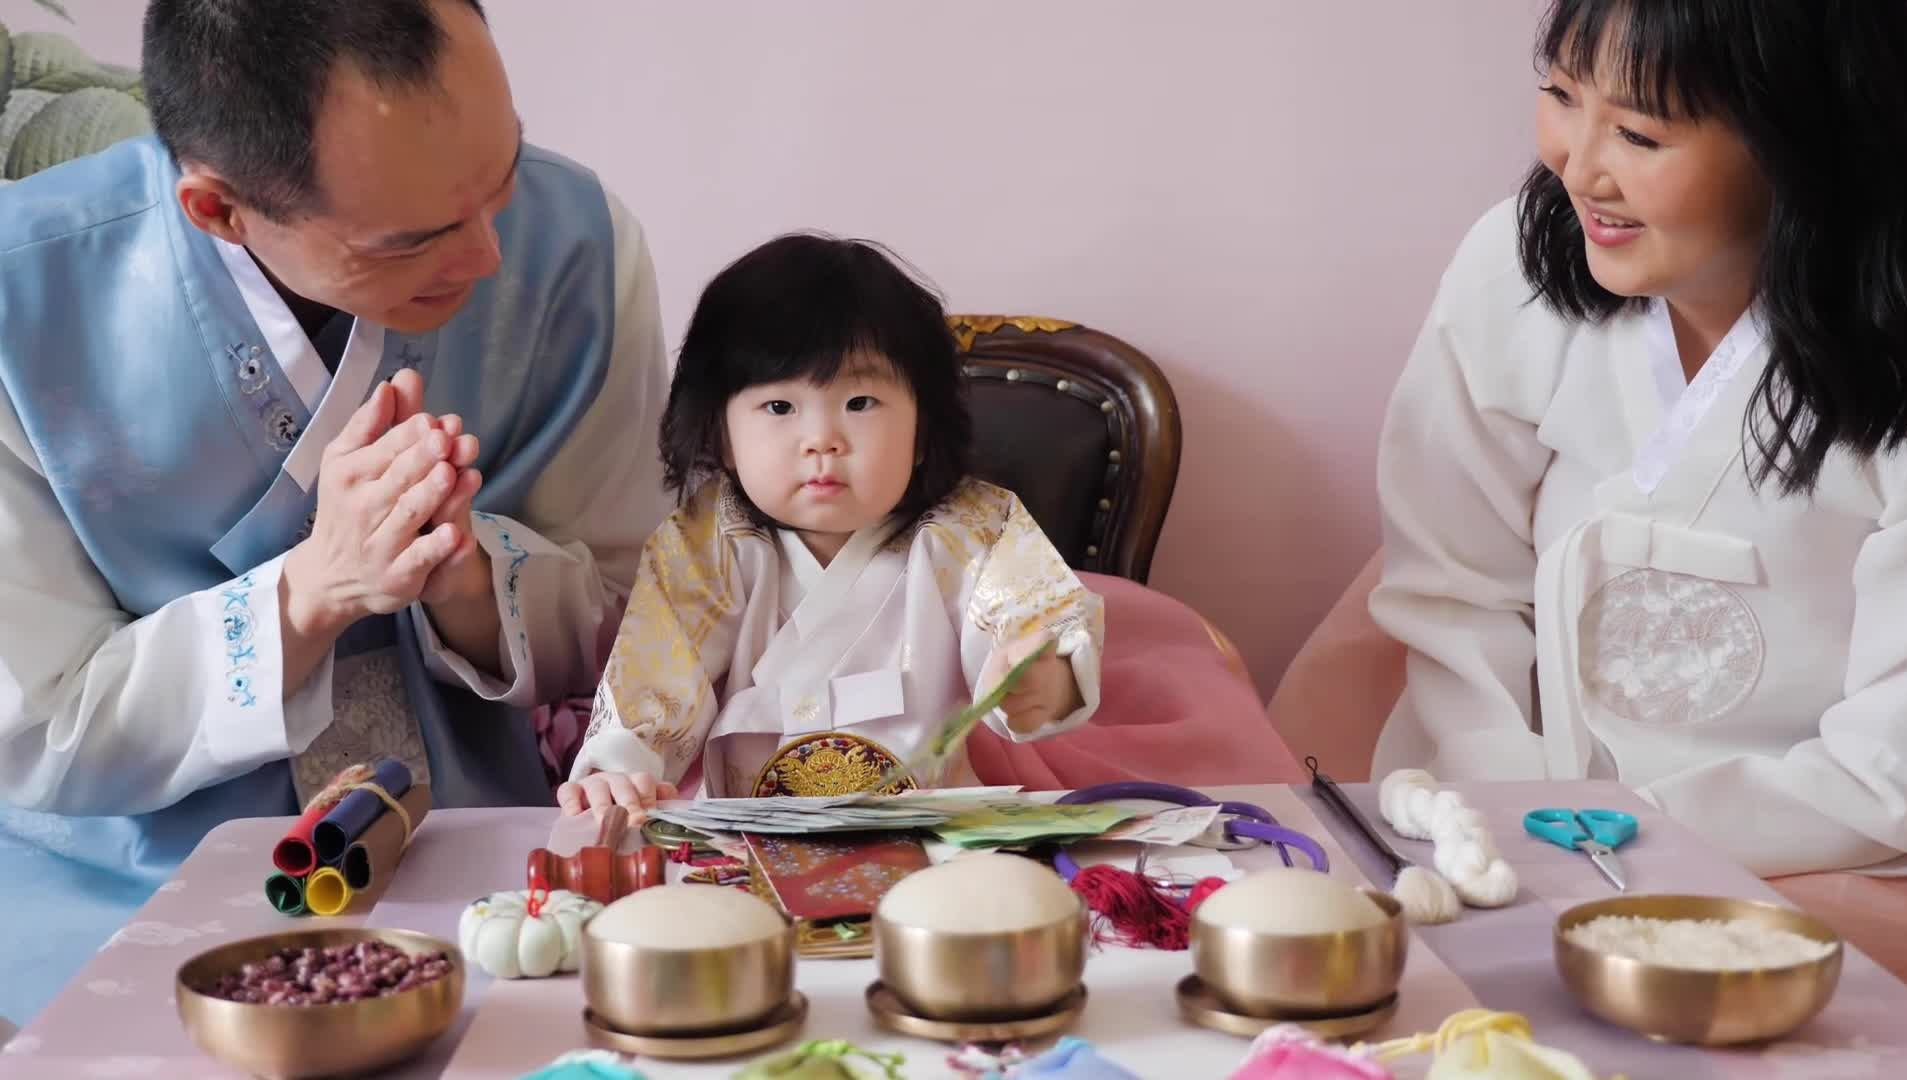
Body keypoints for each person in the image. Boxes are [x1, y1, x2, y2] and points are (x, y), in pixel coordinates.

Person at [0, 0, 672, 1024]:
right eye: (416, 240)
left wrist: (472, 579)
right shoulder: (20, 306)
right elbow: (36, 725)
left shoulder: (575, 243)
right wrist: (312, 593)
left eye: (503, 182)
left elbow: (641, 620)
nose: (491, 254)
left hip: (489, 872)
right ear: (218, 209)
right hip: (122, 909)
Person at [1370, 0, 1907, 881]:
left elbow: (1899, 760)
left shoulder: (1898, 361)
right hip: (1487, 830)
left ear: (1796, 139)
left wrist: (1614, 836)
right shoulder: (1511, 272)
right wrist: (1510, 811)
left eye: (1639, 135)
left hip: (1813, 865)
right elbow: (1451, 591)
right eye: (1560, 94)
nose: (1578, 167)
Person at [557, 234, 1103, 813]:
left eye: (860, 403)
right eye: (779, 407)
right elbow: (655, 673)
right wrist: (621, 765)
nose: (822, 440)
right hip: (748, 836)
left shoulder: (976, 528)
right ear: (721, 433)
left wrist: (1046, 674)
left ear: (924, 426)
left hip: (934, 834)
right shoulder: (702, 544)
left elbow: (1034, 617)